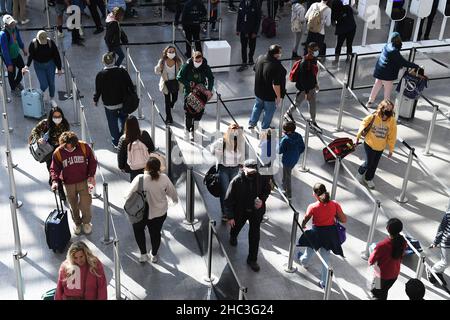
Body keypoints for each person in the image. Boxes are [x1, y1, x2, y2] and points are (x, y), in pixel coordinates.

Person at [125, 157, 178, 263]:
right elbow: (173, 194)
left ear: (146, 167)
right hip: (159, 213)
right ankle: (153, 255)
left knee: (139, 231)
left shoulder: (140, 178)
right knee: (156, 234)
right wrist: (173, 202)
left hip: (140, 213)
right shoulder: (164, 178)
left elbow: (128, 195)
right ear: (159, 167)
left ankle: (143, 254)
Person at [224, 159, 272, 272]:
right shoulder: (236, 181)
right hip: (241, 210)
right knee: (237, 226)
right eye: (249, 171)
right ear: (243, 168)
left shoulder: (261, 177)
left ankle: (252, 259)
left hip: (256, 211)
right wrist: (230, 217)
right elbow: (228, 199)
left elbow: (267, 189)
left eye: (253, 171)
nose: (251, 174)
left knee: (255, 235)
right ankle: (233, 236)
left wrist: (262, 200)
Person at [298, 183, 347, 288]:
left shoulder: (312, 207)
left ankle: (304, 262)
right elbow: (344, 219)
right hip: (329, 235)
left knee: (309, 251)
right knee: (325, 259)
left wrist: (303, 225)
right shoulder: (334, 204)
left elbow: (306, 218)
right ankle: (324, 283)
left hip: (316, 234)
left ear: (315, 194)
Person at [50, 131, 97, 236]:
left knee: (85, 204)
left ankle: (86, 223)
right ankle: (77, 223)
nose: (70, 149)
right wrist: (54, 181)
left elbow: (92, 161)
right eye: (67, 147)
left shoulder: (84, 147)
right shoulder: (58, 153)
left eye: (72, 147)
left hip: (84, 181)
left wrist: (91, 175)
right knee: (73, 205)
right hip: (68, 183)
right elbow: (54, 168)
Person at [366, 32, 419, 108]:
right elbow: (403, 62)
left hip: (380, 70)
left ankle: (370, 102)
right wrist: (415, 66)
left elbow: (390, 59)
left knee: (377, 86)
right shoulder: (394, 51)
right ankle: (386, 107)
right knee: (387, 90)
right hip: (387, 74)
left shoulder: (387, 45)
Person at [93, 52, 135, 149]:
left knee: (112, 124)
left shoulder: (100, 75)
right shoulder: (122, 71)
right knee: (125, 121)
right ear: (114, 60)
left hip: (109, 106)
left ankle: (116, 142)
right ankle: (125, 138)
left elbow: (98, 90)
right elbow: (130, 85)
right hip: (124, 103)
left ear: (103, 62)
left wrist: (96, 100)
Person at [29, 107, 70, 200]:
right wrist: (39, 138)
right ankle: (61, 191)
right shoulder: (45, 123)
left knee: (60, 169)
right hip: (48, 150)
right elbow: (34, 131)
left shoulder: (65, 124)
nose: (57, 118)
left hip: (60, 149)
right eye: (55, 116)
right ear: (51, 116)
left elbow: (67, 136)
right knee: (52, 168)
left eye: (59, 116)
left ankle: (53, 178)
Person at [355, 99, 397, 189]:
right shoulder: (373, 116)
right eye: (387, 109)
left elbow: (392, 135)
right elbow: (364, 123)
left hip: (380, 146)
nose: (388, 111)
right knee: (369, 162)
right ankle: (360, 172)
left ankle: (368, 178)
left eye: (390, 109)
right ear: (382, 108)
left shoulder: (392, 121)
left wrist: (391, 149)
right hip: (369, 143)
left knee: (374, 164)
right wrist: (358, 136)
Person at [210, 124, 245, 222]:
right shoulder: (222, 141)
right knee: (225, 191)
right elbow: (211, 149)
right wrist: (216, 151)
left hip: (235, 169)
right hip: (224, 169)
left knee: (233, 191)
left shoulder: (240, 142)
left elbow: (242, 156)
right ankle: (225, 212)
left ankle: (231, 210)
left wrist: (242, 166)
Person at [176, 51, 214, 139]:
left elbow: (211, 78)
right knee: (189, 112)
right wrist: (188, 83)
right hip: (189, 92)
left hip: (201, 93)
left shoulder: (205, 66)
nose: (198, 63)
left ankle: (194, 130)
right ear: (193, 59)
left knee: (199, 113)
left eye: (199, 61)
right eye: (196, 61)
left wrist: (209, 89)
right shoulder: (187, 66)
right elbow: (179, 77)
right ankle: (187, 129)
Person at [248, 44, 286, 130]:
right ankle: (265, 127)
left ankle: (252, 123)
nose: (281, 54)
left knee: (257, 107)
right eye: (280, 53)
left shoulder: (260, 58)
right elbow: (275, 84)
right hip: (269, 95)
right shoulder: (276, 66)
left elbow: (255, 69)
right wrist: (279, 96)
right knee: (269, 111)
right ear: (275, 54)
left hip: (258, 90)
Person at [368, 218, 407, 300]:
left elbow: (371, 261)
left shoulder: (382, 245)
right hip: (394, 275)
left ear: (387, 229)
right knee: (384, 291)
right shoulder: (403, 241)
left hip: (380, 276)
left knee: (376, 292)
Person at [22, 30, 62, 108]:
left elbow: (56, 55)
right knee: (44, 84)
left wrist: (59, 68)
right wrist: (27, 66)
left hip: (50, 65)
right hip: (39, 66)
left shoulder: (51, 43)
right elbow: (31, 56)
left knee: (51, 83)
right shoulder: (33, 44)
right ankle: (41, 95)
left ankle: (52, 99)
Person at [285, 42, 320, 129]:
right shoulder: (304, 63)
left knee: (312, 104)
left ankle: (313, 120)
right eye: (315, 50)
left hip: (311, 87)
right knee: (297, 102)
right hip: (303, 88)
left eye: (317, 50)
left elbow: (313, 74)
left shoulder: (314, 59)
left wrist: (315, 83)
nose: (317, 51)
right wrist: (306, 92)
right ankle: (288, 113)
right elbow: (303, 79)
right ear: (309, 50)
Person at [117, 115, 155, 182]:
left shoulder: (123, 139)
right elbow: (152, 148)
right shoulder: (144, 134)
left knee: (134, 182)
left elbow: (120, 155)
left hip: (130, 167)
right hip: (145, 164)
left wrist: (121, 167)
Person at [154, 45, 183, 124]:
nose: (171, 53)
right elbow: (156, 71)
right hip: (166, 83)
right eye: (169, 52)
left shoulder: (178, 61)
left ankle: (171, 105)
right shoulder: (162, 61)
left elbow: (182, 70)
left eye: (173, 52)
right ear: (166, 53)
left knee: (175, 98)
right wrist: (159, 67)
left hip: (175, 82)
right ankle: (168, 118)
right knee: (167, 101)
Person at [0, 14, 27, 96]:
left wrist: (23, 48)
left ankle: (16, 83)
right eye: (11, 23)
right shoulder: (3, 34)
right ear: (6, 24)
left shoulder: (15, 28)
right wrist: (9, 64)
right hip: (9, 57)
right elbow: (4, 50)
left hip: (16, 53)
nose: (13, 24)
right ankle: (13, 89)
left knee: (23, 68)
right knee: (12, 73)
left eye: (13, 22)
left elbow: (19, 39)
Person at [278, 121, 305, 199]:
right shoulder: (299, 136)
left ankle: (288, 193)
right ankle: (283, 184)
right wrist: (297, 153)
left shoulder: (285, 139)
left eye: (284, 130)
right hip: (295, 159)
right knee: (287, 173)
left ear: (288, 131)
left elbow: (280, 151)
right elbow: (302, 147)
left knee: (287, 176)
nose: (283, 131)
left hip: (287, 161)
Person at [236, 0, 261, 72]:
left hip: (252, 30)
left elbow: (258, 19)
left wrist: (255, 32)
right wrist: (238, 29)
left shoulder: (256, 3)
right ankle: (244, 62)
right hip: (243, 30)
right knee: (243, 46)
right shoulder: (242, 3)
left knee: (252, 46)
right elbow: (239, 17)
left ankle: (250, 58)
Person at [427, 208, 450, 286]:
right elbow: (441, 228)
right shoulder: (448, 215)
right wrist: (436, 242)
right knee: (446, 262)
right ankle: (433, 270)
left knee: (445, 260)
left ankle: (439, 272)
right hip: (446, 242)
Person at [331, 0, 356, 65]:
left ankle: (336, 60)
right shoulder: (347, 7)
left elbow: (333, 24)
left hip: (342, 30)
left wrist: (337, 21)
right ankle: (348, 58)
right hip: (352, 28)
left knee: (339, 45)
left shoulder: (334, 13)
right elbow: (356, 12)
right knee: (349, 44)